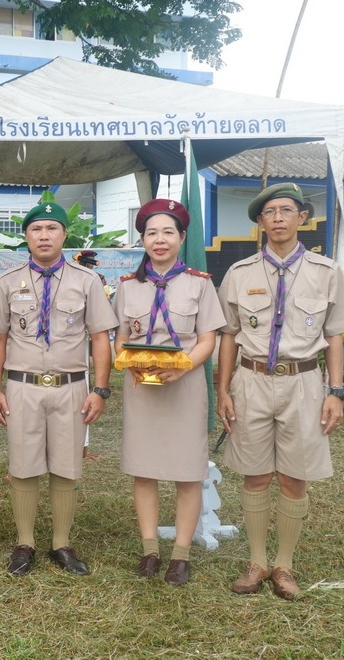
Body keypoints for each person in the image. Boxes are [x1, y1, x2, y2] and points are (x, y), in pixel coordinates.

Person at [217, 183, 344, 600]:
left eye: (286, 210)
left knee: (295, 477)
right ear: (260, 222)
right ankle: (257, 562)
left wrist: (336, 391)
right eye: (269, 212)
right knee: (255, 474)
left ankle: (284, 564)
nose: (278, 217)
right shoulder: (239, 273)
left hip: (303, 381)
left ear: (302, 218)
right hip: (251, 380)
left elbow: (334, 335)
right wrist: (223, 390)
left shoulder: (326, 272)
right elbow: (229, 336)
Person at [0, 200, 118, 577]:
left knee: (66, 466)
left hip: (70, 387)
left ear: (64, 235)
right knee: (23, 465)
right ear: (26, 236)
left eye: (52, 228)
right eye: (36, 229)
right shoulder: (7, 282)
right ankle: (24, 543)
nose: (44, 235)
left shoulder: (87, 281)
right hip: (23, 386)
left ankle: (61, 543)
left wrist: (101, 389)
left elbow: (100, 337)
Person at [113, 198, 225, 585]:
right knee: (143, 469)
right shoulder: (128, 287)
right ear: (142, 239)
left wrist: (182, 367)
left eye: (167, 232)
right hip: (142, 388)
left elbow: (208, 339)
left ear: (181, 237)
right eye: (151, 233)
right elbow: (120, 336)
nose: (159, 240)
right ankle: (149, 550)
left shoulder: (200, 284)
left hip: (185, 387)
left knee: (187, 471)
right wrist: (128, 361)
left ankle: (180, 555)